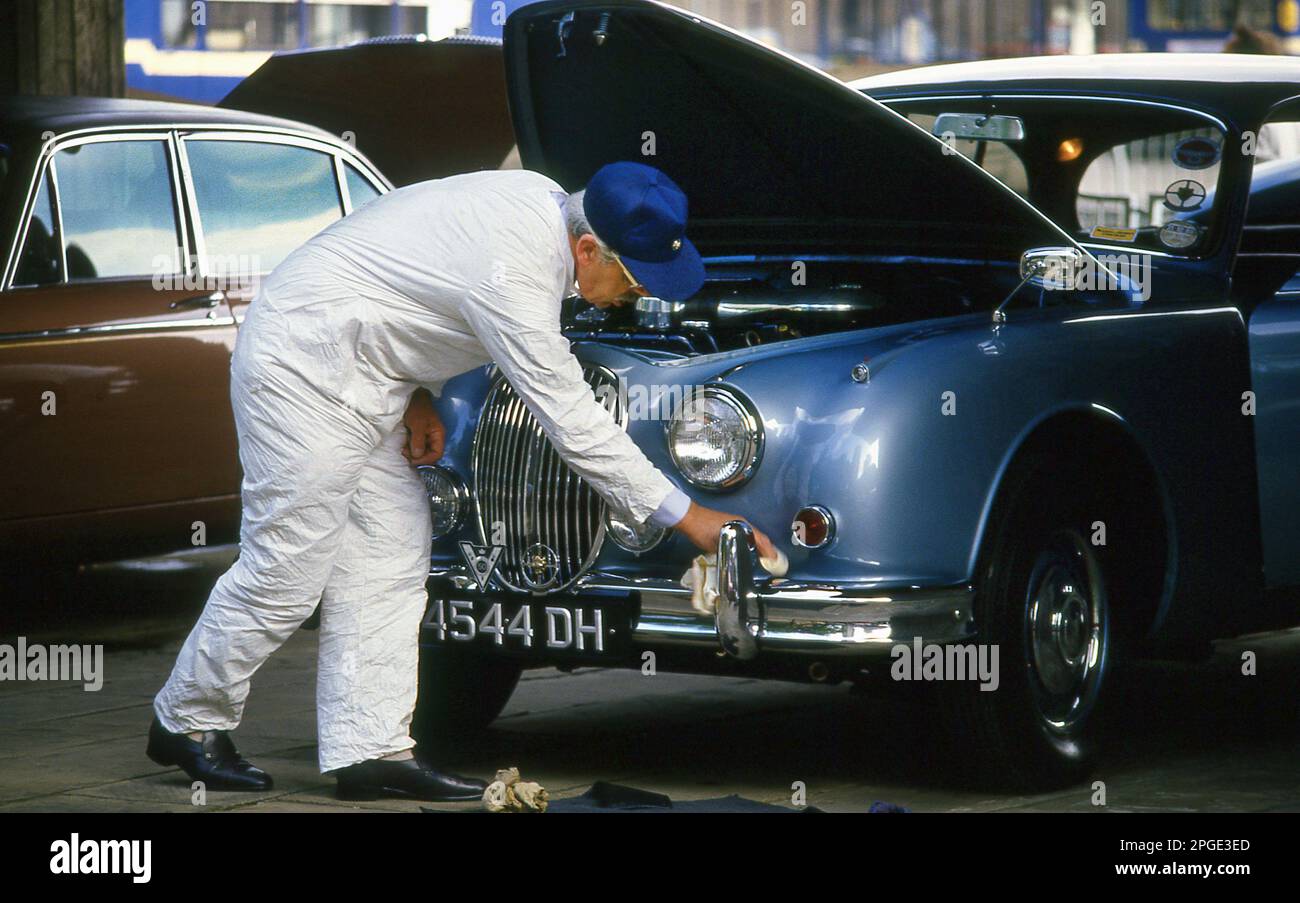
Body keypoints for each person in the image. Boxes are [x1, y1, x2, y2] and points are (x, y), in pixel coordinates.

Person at [147, 161, 776, 801]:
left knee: (392, 554)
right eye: (634, 283)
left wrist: (418, 389)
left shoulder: (543, 204)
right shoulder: (519, 271)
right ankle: (187, 720)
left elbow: (415, 276)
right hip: (303, 364)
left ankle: (370, 750)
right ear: (588, 248)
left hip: (363, 366)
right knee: (289, 563)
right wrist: (694, 518)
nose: (634, 299)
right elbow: (575, 423)